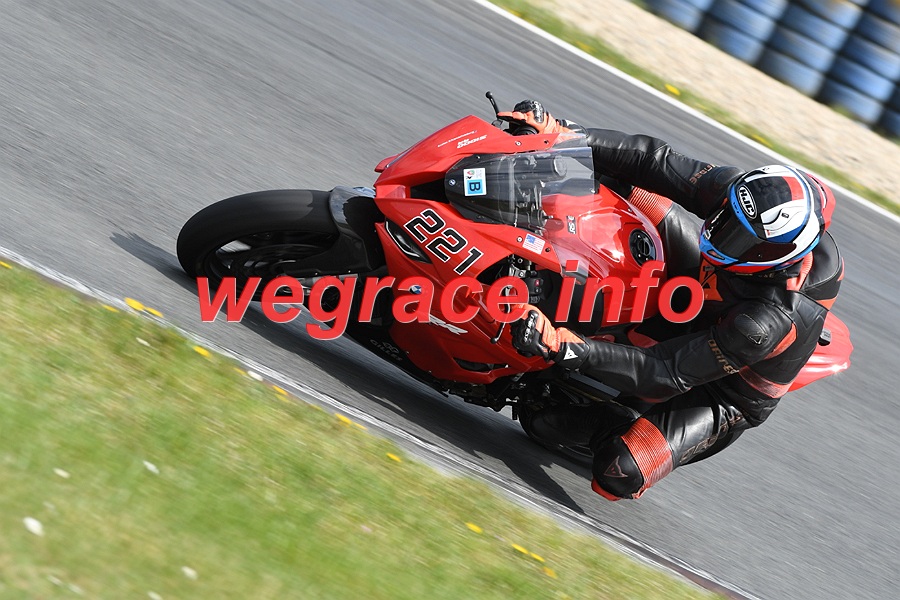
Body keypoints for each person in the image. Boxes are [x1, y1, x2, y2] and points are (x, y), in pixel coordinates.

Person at [498, 100, 844, 501]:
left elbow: (663, 369)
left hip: (721, 388)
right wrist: (561, 133)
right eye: (724, 218)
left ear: (772, 256)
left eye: (736, 237)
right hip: (704, 287)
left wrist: (563, 346)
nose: (719, 232)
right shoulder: (745, 197)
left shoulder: (764, 322)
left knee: (618, 471)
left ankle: (612, 418)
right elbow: (655, 160)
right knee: (618, 182)